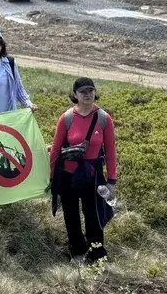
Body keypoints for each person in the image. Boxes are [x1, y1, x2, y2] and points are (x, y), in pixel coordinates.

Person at [49, 77, 117, 265]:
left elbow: (111, 150)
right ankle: (77, 252)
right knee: (71, 216)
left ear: (95, 92)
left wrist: (112, 180)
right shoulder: (67, 118)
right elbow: (55, 148)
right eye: (83, 92)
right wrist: (52, 175)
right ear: (75, 95)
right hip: (68, 175)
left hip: (93, 177)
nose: (88, 95)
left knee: (94, 216)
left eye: (91, 91)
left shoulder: (103, 118)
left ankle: (97, 254)